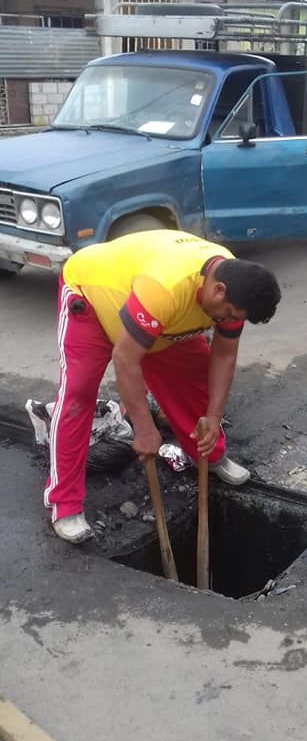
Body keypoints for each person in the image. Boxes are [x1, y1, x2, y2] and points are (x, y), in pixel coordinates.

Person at [45, 229, 281, 544]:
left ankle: (207, 457)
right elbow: (125, 359)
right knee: (78, 392)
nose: (228, 320)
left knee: (195, 374)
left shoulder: (236, 286)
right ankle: (64, 502)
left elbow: (224, 355)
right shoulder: (166, 287)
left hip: (160, 321)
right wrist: (144, 429)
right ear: (218, 290)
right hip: (91, 299)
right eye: (229, 314)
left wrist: (213, 416)